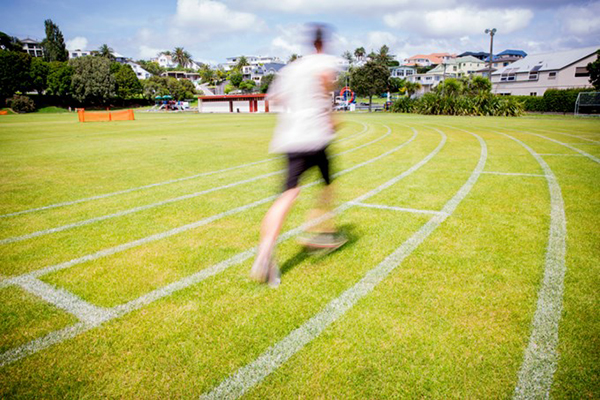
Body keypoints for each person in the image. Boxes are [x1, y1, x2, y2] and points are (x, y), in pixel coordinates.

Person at [250, 24, 347, 287]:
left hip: (290, 139)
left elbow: (274, 100)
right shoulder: (324, 63)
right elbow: (327, 87)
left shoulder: (290, 69)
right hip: (316, 136)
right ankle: (319, 230)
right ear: (322, 44)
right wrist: (331, 118)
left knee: (288, 194)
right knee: (328, 184)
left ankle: (265, 251)